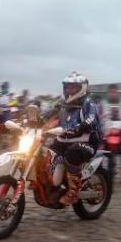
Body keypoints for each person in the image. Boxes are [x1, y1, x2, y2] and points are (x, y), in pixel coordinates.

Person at [44, 72, 101, 206]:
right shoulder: (63, 103)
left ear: (82, 88)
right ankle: (52, 183)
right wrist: (33, 120)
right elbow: (48, 113)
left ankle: (73, 192)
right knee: (47, 152)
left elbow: (91, 118)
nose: (69, 90)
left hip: (86, 141)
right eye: (67, 87)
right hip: (66, 139)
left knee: (71, 155)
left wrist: (81, 127)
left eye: (73, 87)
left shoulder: (89, 103)